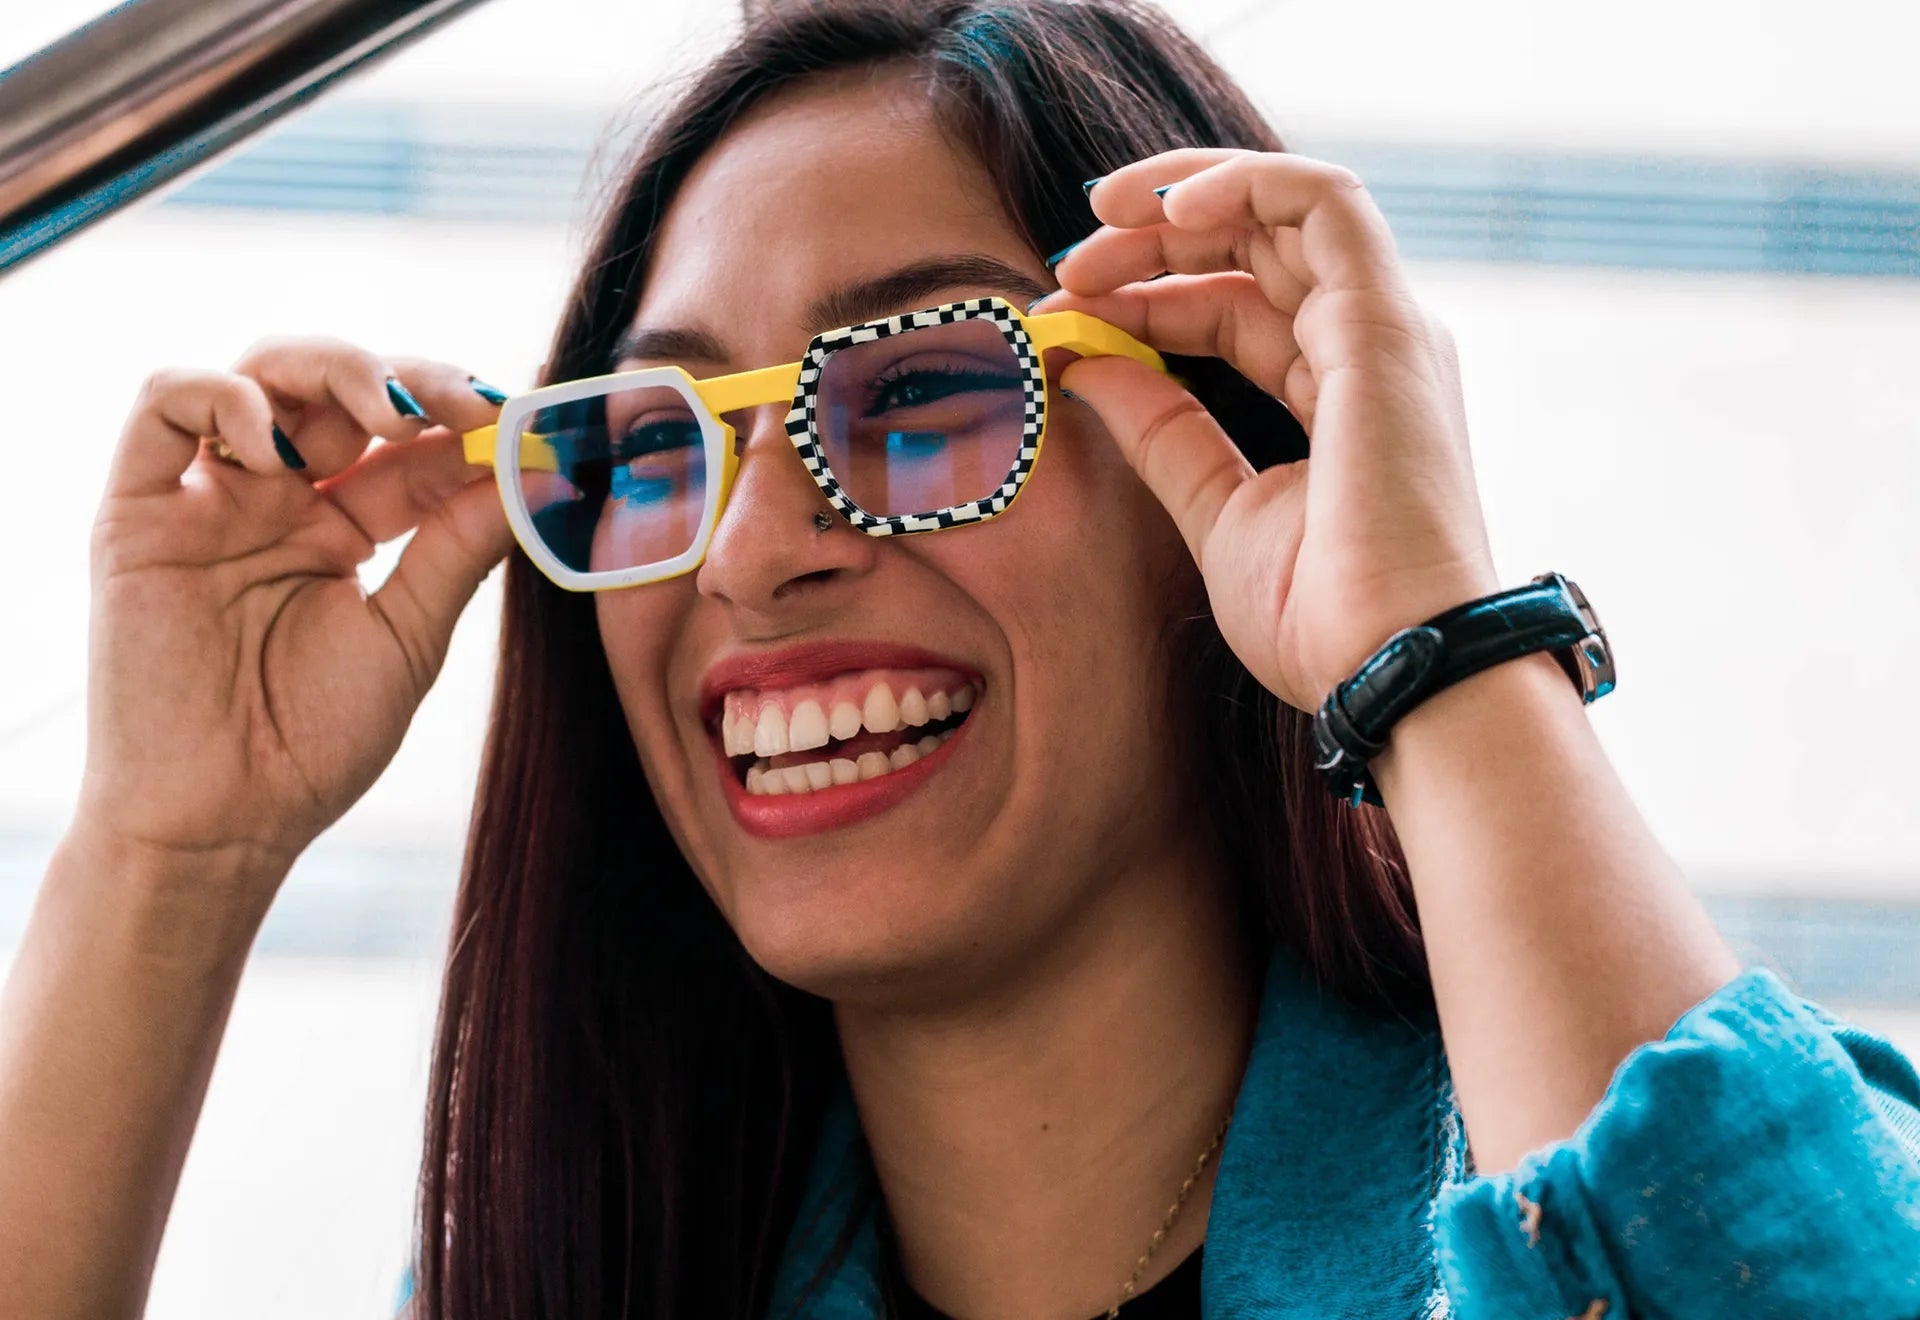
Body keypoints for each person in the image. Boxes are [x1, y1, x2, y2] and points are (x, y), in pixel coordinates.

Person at [3, 2, 1917, 1317]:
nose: (752, 556)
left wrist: (1428, 642)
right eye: (667, 446)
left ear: (1231, 449)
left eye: (918, 398)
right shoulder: (567, 1270)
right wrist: (169, 865)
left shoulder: (1686, 1140)